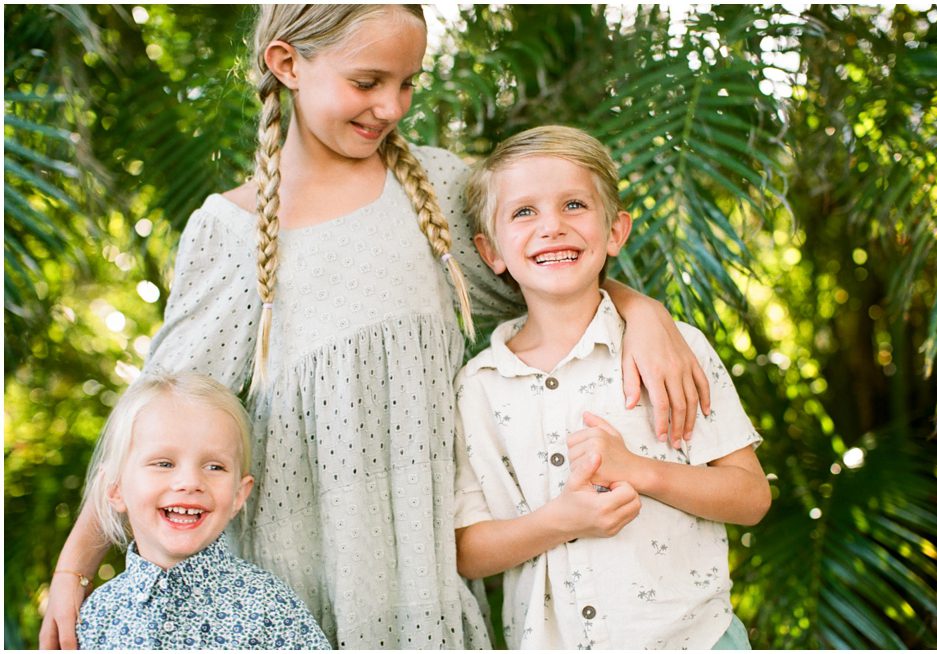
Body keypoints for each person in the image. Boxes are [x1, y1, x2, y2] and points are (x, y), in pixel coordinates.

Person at [39, 6, 712, 650]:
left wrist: (640, 310)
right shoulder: (231, 232)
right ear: (287, 63)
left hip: (423, 582)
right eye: (367, 82)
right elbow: (154, 414)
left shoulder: (441, 191)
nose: (390, 107)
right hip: (292, 587)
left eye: (406, 84)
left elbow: (552, 267)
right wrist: (73, 570)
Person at [453, 125, 772, 649]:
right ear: (492, 252)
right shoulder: (478, 389)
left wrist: (642, 471)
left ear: (616, 231)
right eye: (524, 212)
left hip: (695, 640)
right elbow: (469, 550)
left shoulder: (674, 350)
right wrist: (560, 521)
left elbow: (751, 496)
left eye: (574, 205)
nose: (551, 227)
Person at [73, 372, 330, 649]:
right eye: (164, 463)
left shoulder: (272, 609)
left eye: (214, 467)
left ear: (238, 495)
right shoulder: (98, 616)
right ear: (115, 488)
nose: (190, 483)